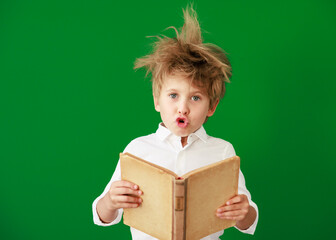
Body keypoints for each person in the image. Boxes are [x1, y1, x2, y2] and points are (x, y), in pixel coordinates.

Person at [92, 5, 258, 239]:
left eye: (195, 97)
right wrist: (110, 201)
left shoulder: (223, 152)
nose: (183, 107)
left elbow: (247, 221)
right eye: (173, 95)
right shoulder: (137, 150)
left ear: (212, 106)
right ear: (156, 101)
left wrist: (243, 212)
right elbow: (103, 215)